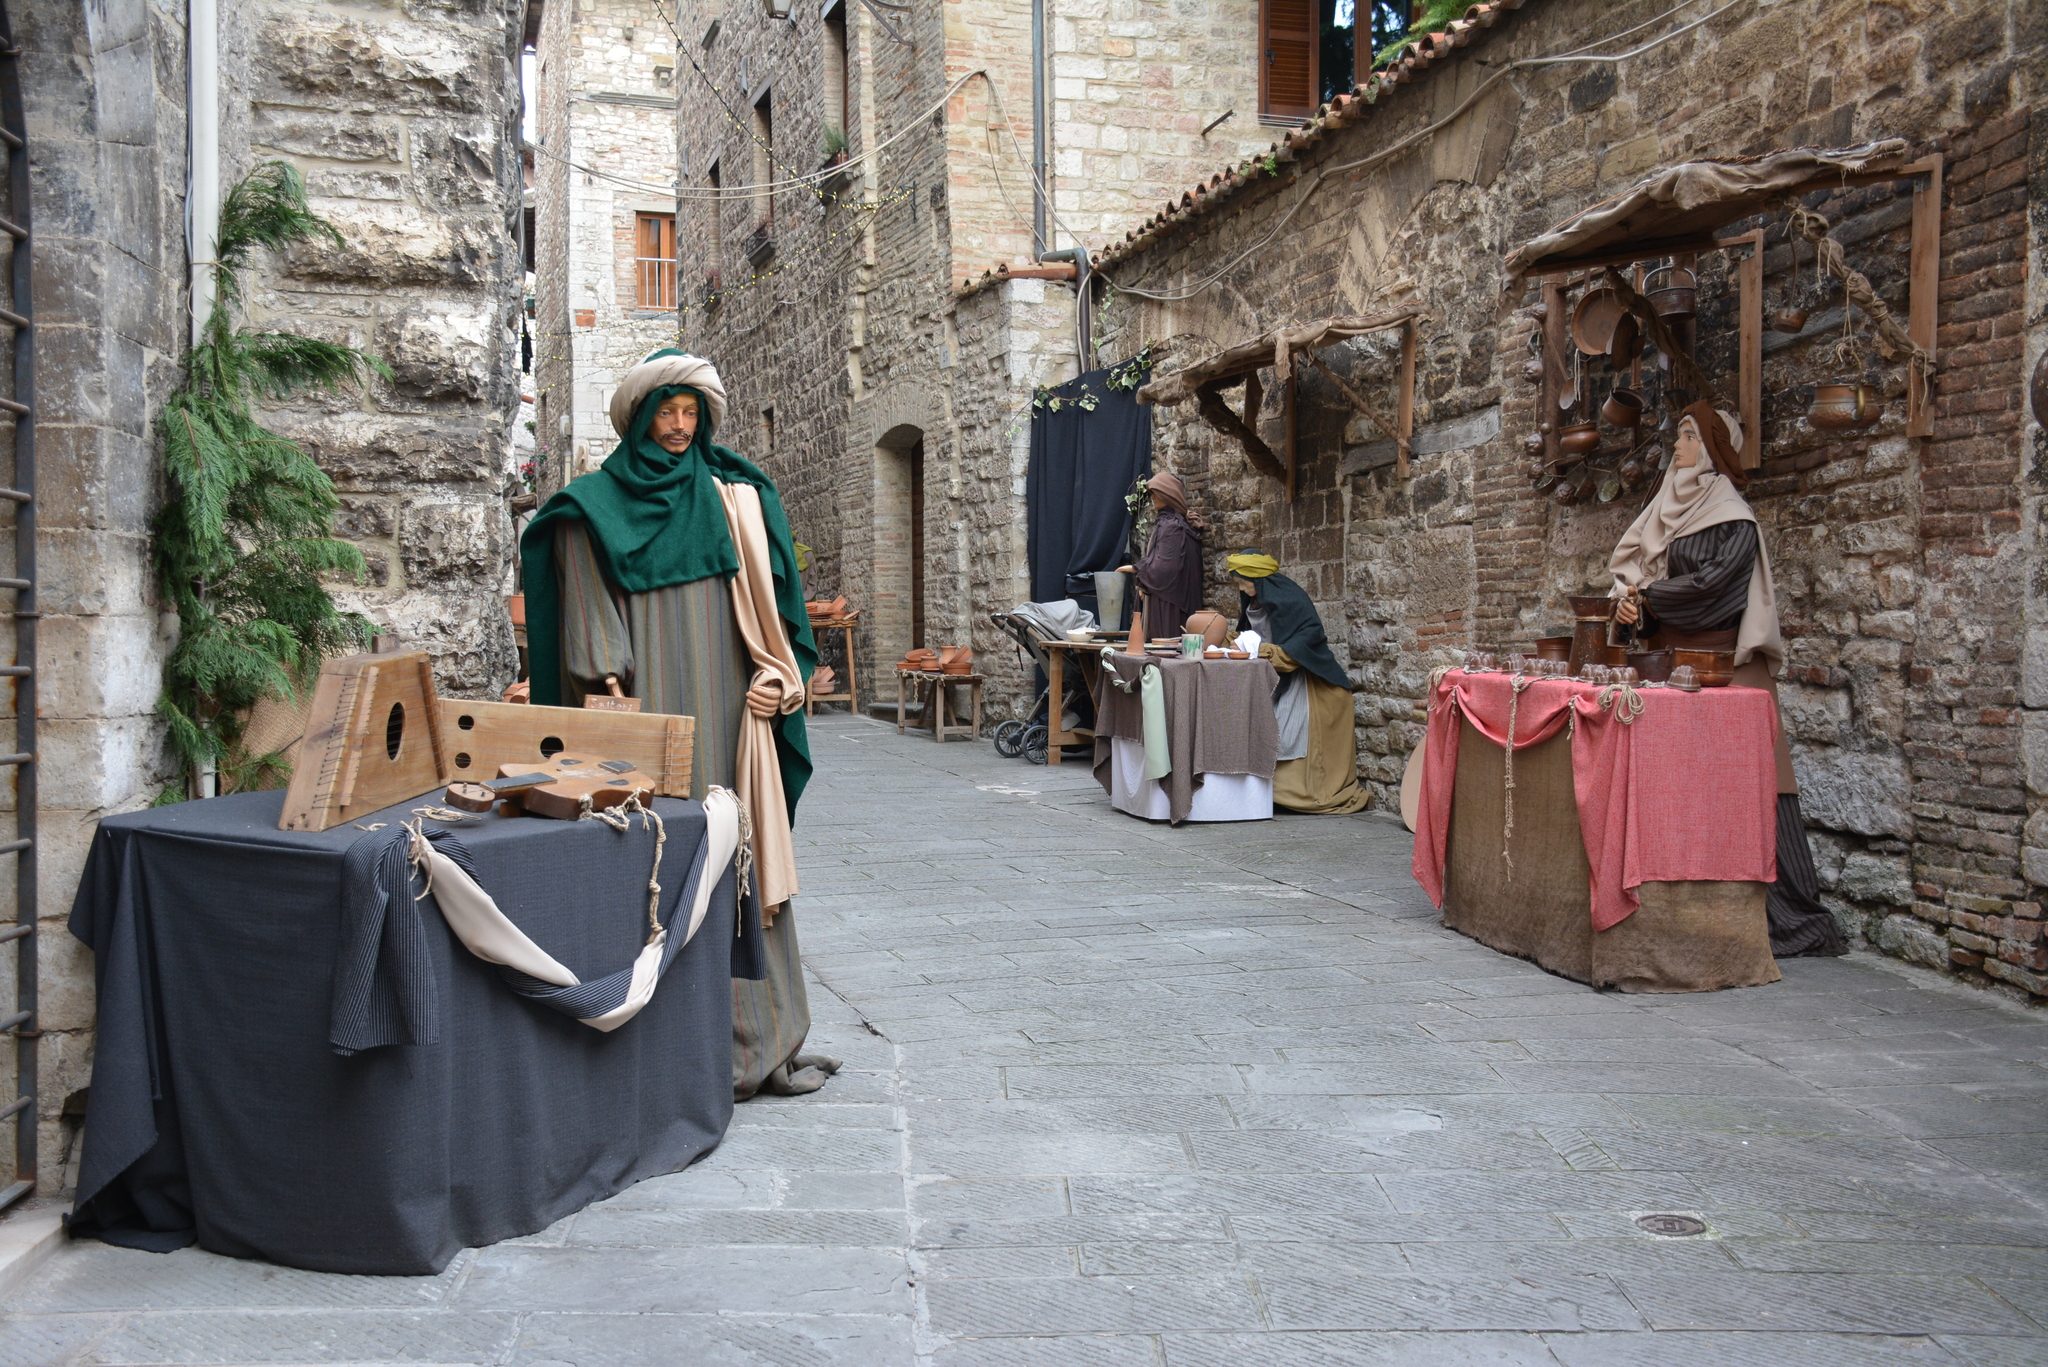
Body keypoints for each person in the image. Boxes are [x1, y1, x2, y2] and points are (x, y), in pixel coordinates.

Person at [520, 349, 846, 1096]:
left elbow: (773, 609)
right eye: (664, 412)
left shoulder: (736, 497)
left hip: (732, 715)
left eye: (689, 412)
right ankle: (681, 1056)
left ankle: (764, 1044)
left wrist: (776, 679)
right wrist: (609, 686)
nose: (677, 426)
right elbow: (587, 620)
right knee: (664, 865)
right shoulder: (591, 508)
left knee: (744, 857)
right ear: (639, 418)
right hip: (651, 716)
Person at [1610, 402, 1844, 957]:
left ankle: (1778, 918)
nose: (1679, 446)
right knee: (1685, 787)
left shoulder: (1733, 516)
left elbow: (1716, 587)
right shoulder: (1660, 510)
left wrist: (1649, 597)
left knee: (1751, 788)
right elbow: (1636, 577)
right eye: (1680, 435)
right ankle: (1688, 910)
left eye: (1690, 436)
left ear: (1715, 449)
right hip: (1671, 665)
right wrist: (1629, 607)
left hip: (1728, 669)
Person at [1228, 550, 1369, 814]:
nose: (1241, 588)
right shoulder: (1256, 601)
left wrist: (1262, 650)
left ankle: (1301, 794)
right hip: (1276, 678)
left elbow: (1300, 645)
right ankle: (1264, 791)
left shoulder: (1290, 600)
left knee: (1288, 730)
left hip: (1310, 681)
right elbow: (1252, 636)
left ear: (1257, 579)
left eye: (1243, 582)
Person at [1116, 470, 1205, 638]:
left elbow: (1166, 566)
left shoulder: (1172, 525)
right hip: (1171, 596)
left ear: (1167, 495)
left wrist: (1137, 570)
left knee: (1165, 642)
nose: (1152, 497)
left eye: (1156, 493)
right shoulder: (1173, 522)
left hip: (1169, 600)